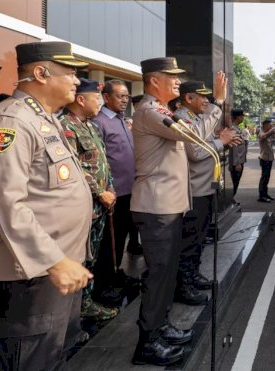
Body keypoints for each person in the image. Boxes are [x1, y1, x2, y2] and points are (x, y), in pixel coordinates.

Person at [0, 42, 93, 370]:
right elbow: (5, 204)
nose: (76, 81)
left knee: (48, 358)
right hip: (32, 273)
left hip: (55, 270)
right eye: (69, 72)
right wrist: (55, 261)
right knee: (29, 360)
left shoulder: (43, 119)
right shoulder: (9, 121)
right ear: (40, 73)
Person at [128, 57, 195, 365]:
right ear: (154, 81)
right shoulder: (151, 111)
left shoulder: (162, 110)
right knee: (158, 275)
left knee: (166, 274)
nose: (178, 81)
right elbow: (189, 135)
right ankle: (148, 341)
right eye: (172, 77)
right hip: (156, 208)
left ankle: (160, 325)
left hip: (167, 205)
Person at [173, 76, 240, 306]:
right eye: (202, 97)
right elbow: (197, 152)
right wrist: (220, 141)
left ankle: (193, 275)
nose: (207, 101)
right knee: (190, 239)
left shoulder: (197, 118)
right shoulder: (182, 118)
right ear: (188, 98)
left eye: (208, 97)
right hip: (193, 190)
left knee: (200, 237)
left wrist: (222, 139)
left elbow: (205, 140)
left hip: (204, 189)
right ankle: (184, 285)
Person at [59, 78, 119, 322]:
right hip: (83, 205)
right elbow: (72, 166)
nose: (100, 103)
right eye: (97, 98)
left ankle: (84, 304)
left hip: (101, 205)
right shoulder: (65, 126)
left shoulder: (91, 126)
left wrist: (111, 189)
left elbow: (102, 162)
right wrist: (98, 192)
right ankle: (72, 313)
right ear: (81, 99)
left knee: (91, 256)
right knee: (78, 257)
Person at [92, 79, 140, 307]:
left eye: (126, 97)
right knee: (109, 241)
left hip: (129, 191)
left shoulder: (122, 121)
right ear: (106, 97)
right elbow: (100, 161)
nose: (124, 100)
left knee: (121, 237)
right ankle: (105, 283)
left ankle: (116, 271)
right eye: (120, 96)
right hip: (113, 193)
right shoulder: (99, 122)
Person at [257, 117, 275, 202]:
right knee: (264, 178)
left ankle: (265, 194)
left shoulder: (267, 132)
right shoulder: (261, 133)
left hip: (269, 158)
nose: (271, 127)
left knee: (267, 177)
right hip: (265, 158)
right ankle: (261, 196)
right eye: (269, 125)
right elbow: (265, 136)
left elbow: (274, 131)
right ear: (265, 125)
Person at [229, 109, 248, 205]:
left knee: (236, 181)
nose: (243, 118)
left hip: (240, 160)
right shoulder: (233, 129)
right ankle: (230, 199)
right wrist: (237, 163)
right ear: (237, 117)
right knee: (234, 181)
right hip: (237, 162)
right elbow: (234, 147)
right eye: (242, 116)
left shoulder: (237, 128)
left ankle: (232, 199)